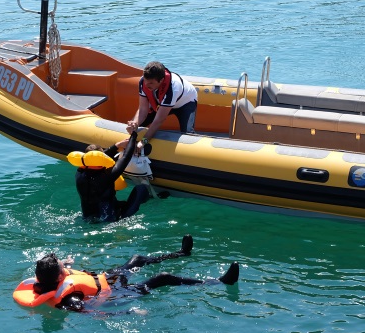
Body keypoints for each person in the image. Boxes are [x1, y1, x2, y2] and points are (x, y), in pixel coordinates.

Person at [13, 235, 240, 312]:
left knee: (137, 260)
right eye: (63, 267)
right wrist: (129, 313)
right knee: (163, 278)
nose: (65, 266)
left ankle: (181, 253)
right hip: (117, 293)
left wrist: (68, 265)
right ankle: (219, 282)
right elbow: (91, 312)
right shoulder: (68, 298)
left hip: (107, 279)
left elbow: (66, 273)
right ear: (60, 277)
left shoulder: (51, 278)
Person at [75, 131, 150, 222]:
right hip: (111, 220)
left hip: (88, 217)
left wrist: (117, 145)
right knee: (141, 188)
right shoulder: (107, 175)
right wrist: (133, 135)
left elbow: (95, 158)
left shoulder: (79, 173)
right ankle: (153, 199)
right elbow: (126, 157)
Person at [126, 61, 198, 152]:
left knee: (188, 134)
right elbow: (143, 109)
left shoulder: (173, 88)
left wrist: (144, 141)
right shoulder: (143, 82)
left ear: (161, 80)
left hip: (185, 103)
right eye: (146, 81)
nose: (147, 85)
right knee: (139, 124)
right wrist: (134, 123)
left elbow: (159, 120)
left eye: (151, 83)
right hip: (162, 103)